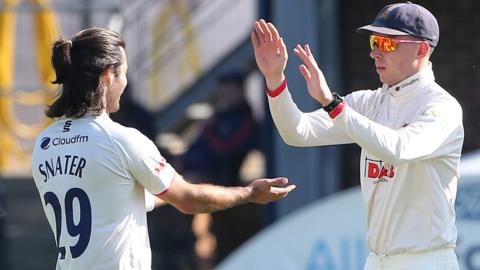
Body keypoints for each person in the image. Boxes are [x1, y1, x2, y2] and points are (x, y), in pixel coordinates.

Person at [31, 28, 295, 270]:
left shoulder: (43, 144)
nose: (125, 83)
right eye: (124, 73)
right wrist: (248, 192)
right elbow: (188, 200)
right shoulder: (120, 140)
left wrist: (169, 188)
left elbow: (115, 194)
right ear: (108, 76)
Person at [251, 2, 463, 270]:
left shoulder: (443, 107)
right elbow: (298, 132)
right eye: (375, 41)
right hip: (376, 261)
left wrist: (333, 104)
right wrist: (275, 80)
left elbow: (399, 149)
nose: (374, 53)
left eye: (387, 43)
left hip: (427, 262)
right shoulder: (368, 103)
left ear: (421, 49)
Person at [182, 71, 260, 264]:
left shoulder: (246, 119)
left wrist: (207, 130)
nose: (225, 93)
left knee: (231, 246)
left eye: (230, 88)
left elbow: (227, 149)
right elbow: (195, 151)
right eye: (223, 88)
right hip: (209, 188)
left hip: (233, 192)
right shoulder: (219, 116)